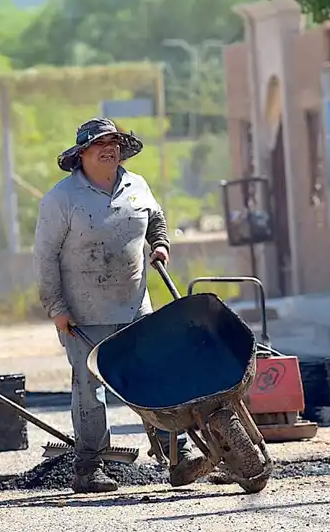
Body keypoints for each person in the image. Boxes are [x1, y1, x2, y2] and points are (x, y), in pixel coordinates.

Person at [34, 118, 210, 493]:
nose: (109, 148)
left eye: (114, 142)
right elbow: (45, 257)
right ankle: (88, 467)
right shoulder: (61, 199)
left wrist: (159, 244)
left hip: (134, 307)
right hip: (84, 314)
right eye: (100, 143)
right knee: (89, 388)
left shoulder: (137, 186)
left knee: (153, 377)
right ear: (82, 154)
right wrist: (56, 307)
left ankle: (174, 454)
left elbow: (156, 217)